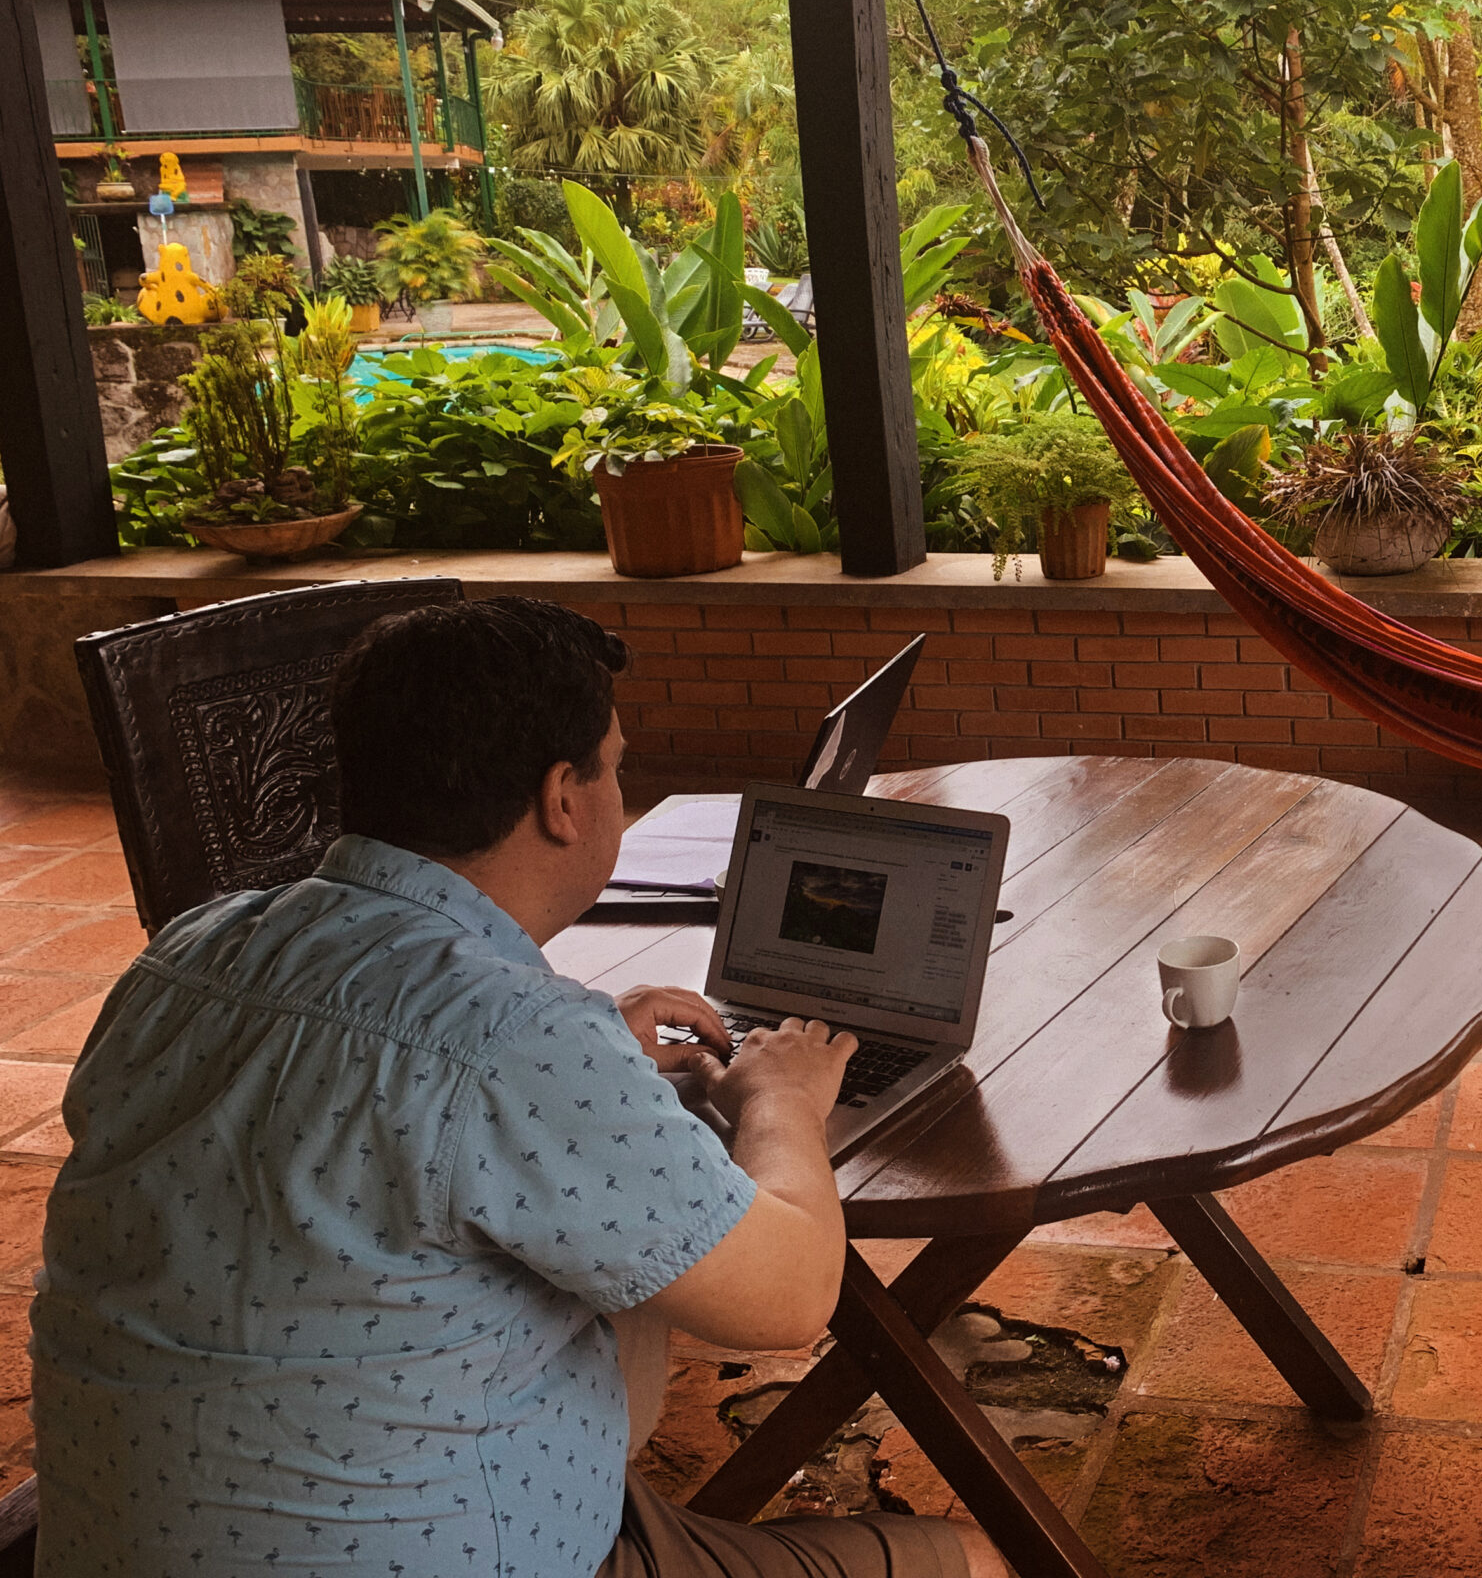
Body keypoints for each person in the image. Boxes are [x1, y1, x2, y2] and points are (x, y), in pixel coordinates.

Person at [32, 597, 1004, 1578]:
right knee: (968, 1559)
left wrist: (586, 1066)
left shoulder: (187, 954)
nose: (620, 788)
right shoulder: (513, 1040)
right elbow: (791, 1299)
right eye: (617, 764)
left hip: (116, 1544)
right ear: (562, 800)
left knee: (612, 1283)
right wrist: (783, 1097)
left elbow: (359, 1104)